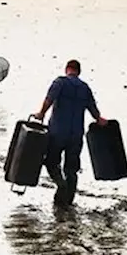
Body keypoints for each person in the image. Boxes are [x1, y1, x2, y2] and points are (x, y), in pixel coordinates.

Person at [33, 59, 107, 207]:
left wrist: (41, 113)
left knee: (51, 162)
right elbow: (93, 109)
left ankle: (61, 185)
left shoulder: (60, 82)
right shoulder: (85, 88)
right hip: (76, 135)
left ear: (67, 69)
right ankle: (68, 201)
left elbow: (49, 99)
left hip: (57, 133)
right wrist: (99, 119)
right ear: (78, 72)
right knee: (72, 169)